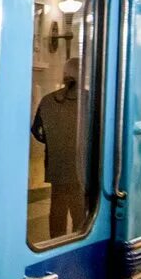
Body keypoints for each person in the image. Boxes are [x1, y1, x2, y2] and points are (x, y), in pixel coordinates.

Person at [31, 57, 84, 237]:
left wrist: (54, 142)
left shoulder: (47, 100)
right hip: (80, 168)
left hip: (56, 165)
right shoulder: (89, 101)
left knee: (57, 211)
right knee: (80, 215)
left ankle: (55, 245)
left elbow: (36, 130)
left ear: (64, 75)